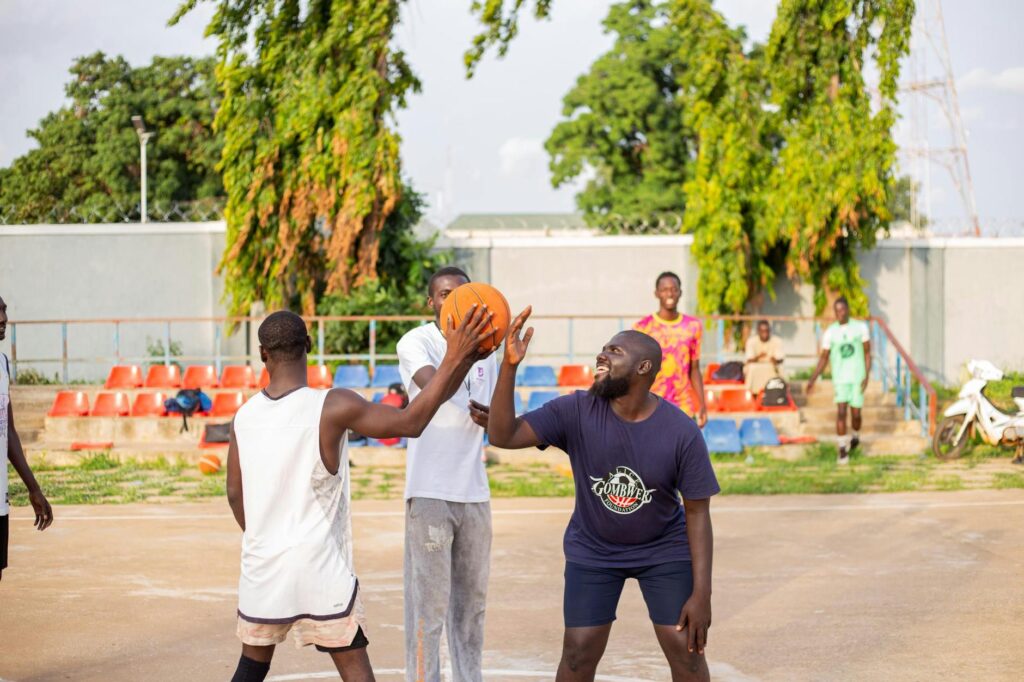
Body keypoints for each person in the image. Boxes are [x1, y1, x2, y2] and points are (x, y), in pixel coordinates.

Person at [226, 307, 493, 682]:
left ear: (262, 354)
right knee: (355, 672)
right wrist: (456, 357)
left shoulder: (244, 415)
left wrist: (264, 536)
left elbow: (235, 493)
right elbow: (410, 422)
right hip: (319, 568)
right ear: (308, 345)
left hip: (263, 563)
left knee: (251, 666)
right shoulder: (333, 404)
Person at [490, 309, 719, 682]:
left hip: (662, 549)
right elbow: (503, 435)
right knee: (578, 655)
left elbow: (697, 514)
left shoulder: (681, 431)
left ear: (644, 367)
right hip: (594, 549)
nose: (602, 356)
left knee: (687, 654)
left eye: (614, 351)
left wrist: (702, 594)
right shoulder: (576, 410)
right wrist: (509, 366)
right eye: (602, 349)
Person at [396, 266, 498, 682]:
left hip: (474, 492)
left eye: (459, 293)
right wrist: (466, 350)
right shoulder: (416, 342)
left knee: (471, 607)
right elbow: (435, 387)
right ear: (431, 302)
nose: (450, 300)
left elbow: (491, 410)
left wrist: (496, 415)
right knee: (428, 608)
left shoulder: (488, 350)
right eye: (442, 294)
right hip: (430, 491)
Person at [0, 294, 54, 583]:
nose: (3, 318)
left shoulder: (2, 363)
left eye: (4, 310)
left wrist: (33, 488)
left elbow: (7, 431)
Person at [633, 272, 707, 427]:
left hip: (683, 405)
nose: (670, 293)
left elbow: (694, 369)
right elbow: (636, 370)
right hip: (652, 404)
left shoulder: (693, 326)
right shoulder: (643, 327)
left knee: (683, 450)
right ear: (656, 293)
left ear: (680, 292)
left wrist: (702, 404)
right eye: (665, 289)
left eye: (674, 289)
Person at [806, 297, 872, 464]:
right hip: (840, 378)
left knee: (856, 414)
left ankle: (855, 436)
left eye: (842, 310)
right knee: (841, 412)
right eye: (837, 311)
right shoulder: (830, 332)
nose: (840, 313)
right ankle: (842, 450)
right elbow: (824, 358)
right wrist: (812, 379)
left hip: (857, 376)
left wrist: (867, 374)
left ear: (848, 309)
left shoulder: (860, 328)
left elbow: (867, 353)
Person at [744, 320, 785, 395]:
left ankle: (776, 392)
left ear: (769, 331)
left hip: (771, 366)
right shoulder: (751, 341)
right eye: (762, 331)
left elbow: (780, 359)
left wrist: (774, 359)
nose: (765, 333)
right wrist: (759, 357)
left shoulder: (777, 341)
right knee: (751, 368)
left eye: (767, 331)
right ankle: (752, 394)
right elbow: (749, 360)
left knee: (779, 368)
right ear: (758, 331)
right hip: (755, 367)